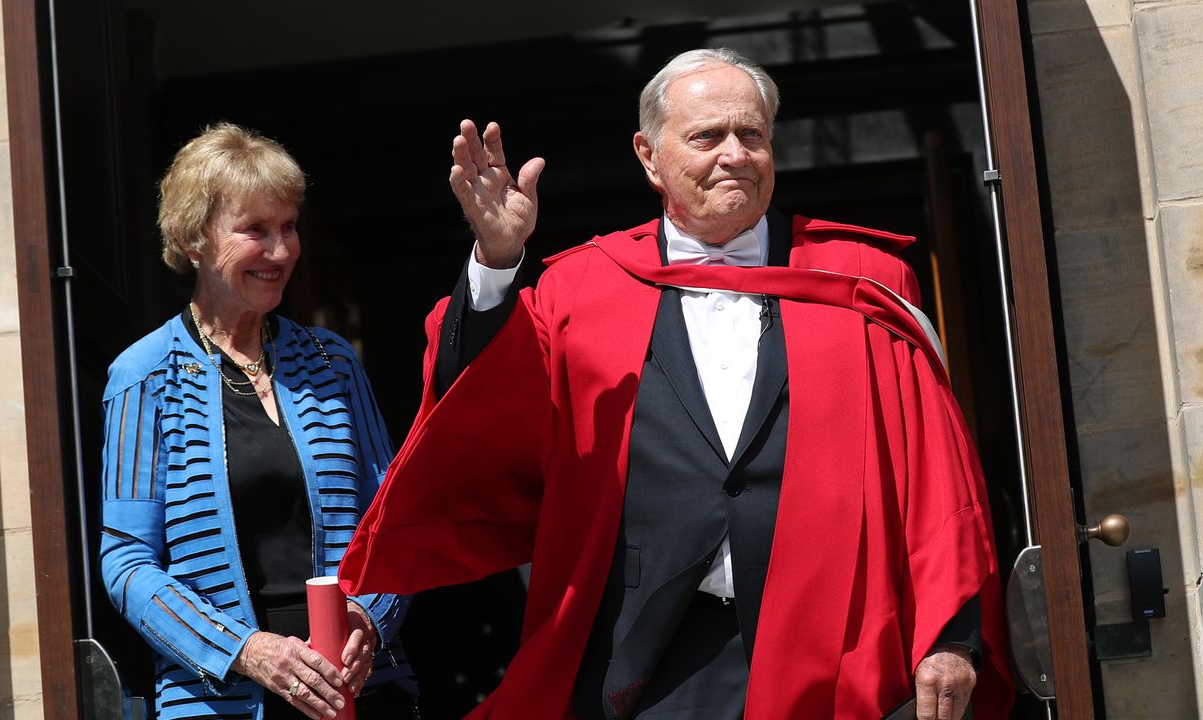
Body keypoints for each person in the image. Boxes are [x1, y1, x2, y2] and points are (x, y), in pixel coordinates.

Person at [340, 49, 1012, 719]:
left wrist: (952, 637)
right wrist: (497, 262)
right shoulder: (581, 289)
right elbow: (483, 408)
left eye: (751, 135)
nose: (735, 155)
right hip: (647, 658)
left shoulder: (861, 281)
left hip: (845, 648)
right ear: (648, 155)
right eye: (706, 136)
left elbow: (936, 476)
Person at [99, 123, 413, 719]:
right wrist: (246, 650)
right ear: (194, 240)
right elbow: (126, 562)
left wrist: (372, 617)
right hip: (222, 698)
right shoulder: (143, 376)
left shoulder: (333, 362)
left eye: (289, 227)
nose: (280, 250)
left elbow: (394, 520)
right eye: (255, 230)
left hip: (360, 690)